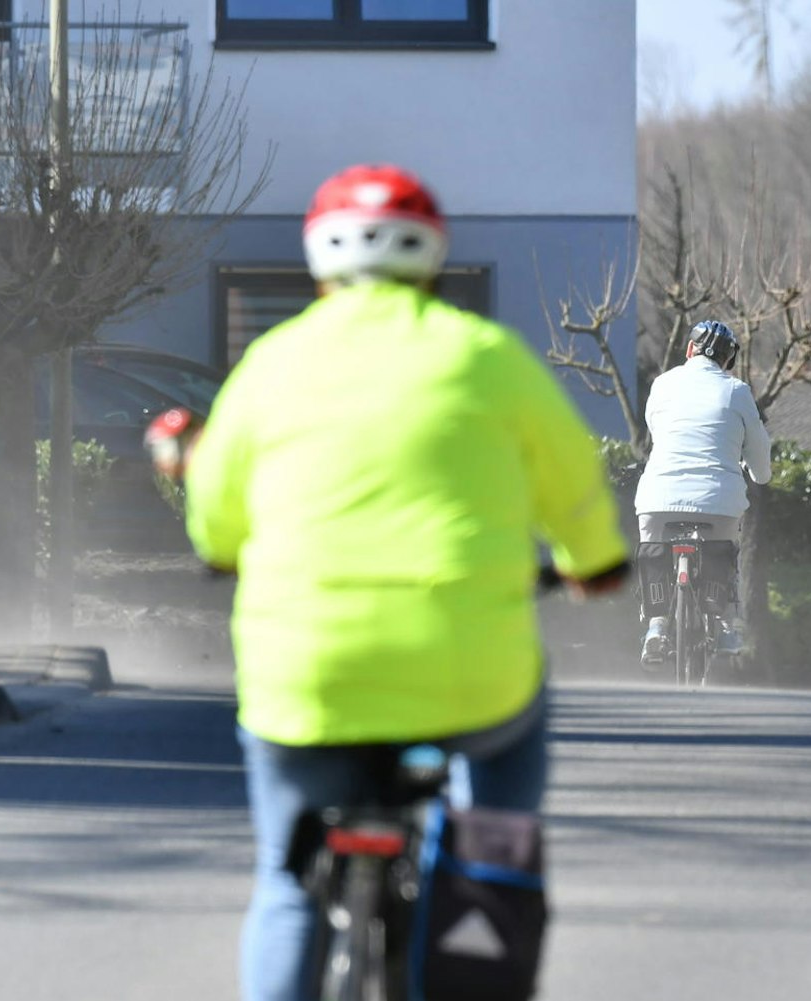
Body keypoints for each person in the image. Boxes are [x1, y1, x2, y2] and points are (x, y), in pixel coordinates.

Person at [158, 163, 630, 1001]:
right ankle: (489, 863)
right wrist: (591, 563)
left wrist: (226, 548)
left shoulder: (272, 362)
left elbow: (215, 513)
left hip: (309, 676)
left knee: (281, 875)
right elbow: (572, 482)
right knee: (503, 763)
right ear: (435, 257)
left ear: (317, 262)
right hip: (466, 673)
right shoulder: (487, 356)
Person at [633, 319, 773, 660]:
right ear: (727, 359)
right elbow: (759, 454)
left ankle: (655, 627)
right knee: (725, 549)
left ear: (689, 349)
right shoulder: (737, 391)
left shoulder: (662, 385)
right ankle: (724, 625)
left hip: (658, 495)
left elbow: (655, 429)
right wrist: (760, 475)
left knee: (652, 545)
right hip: (719, 500)